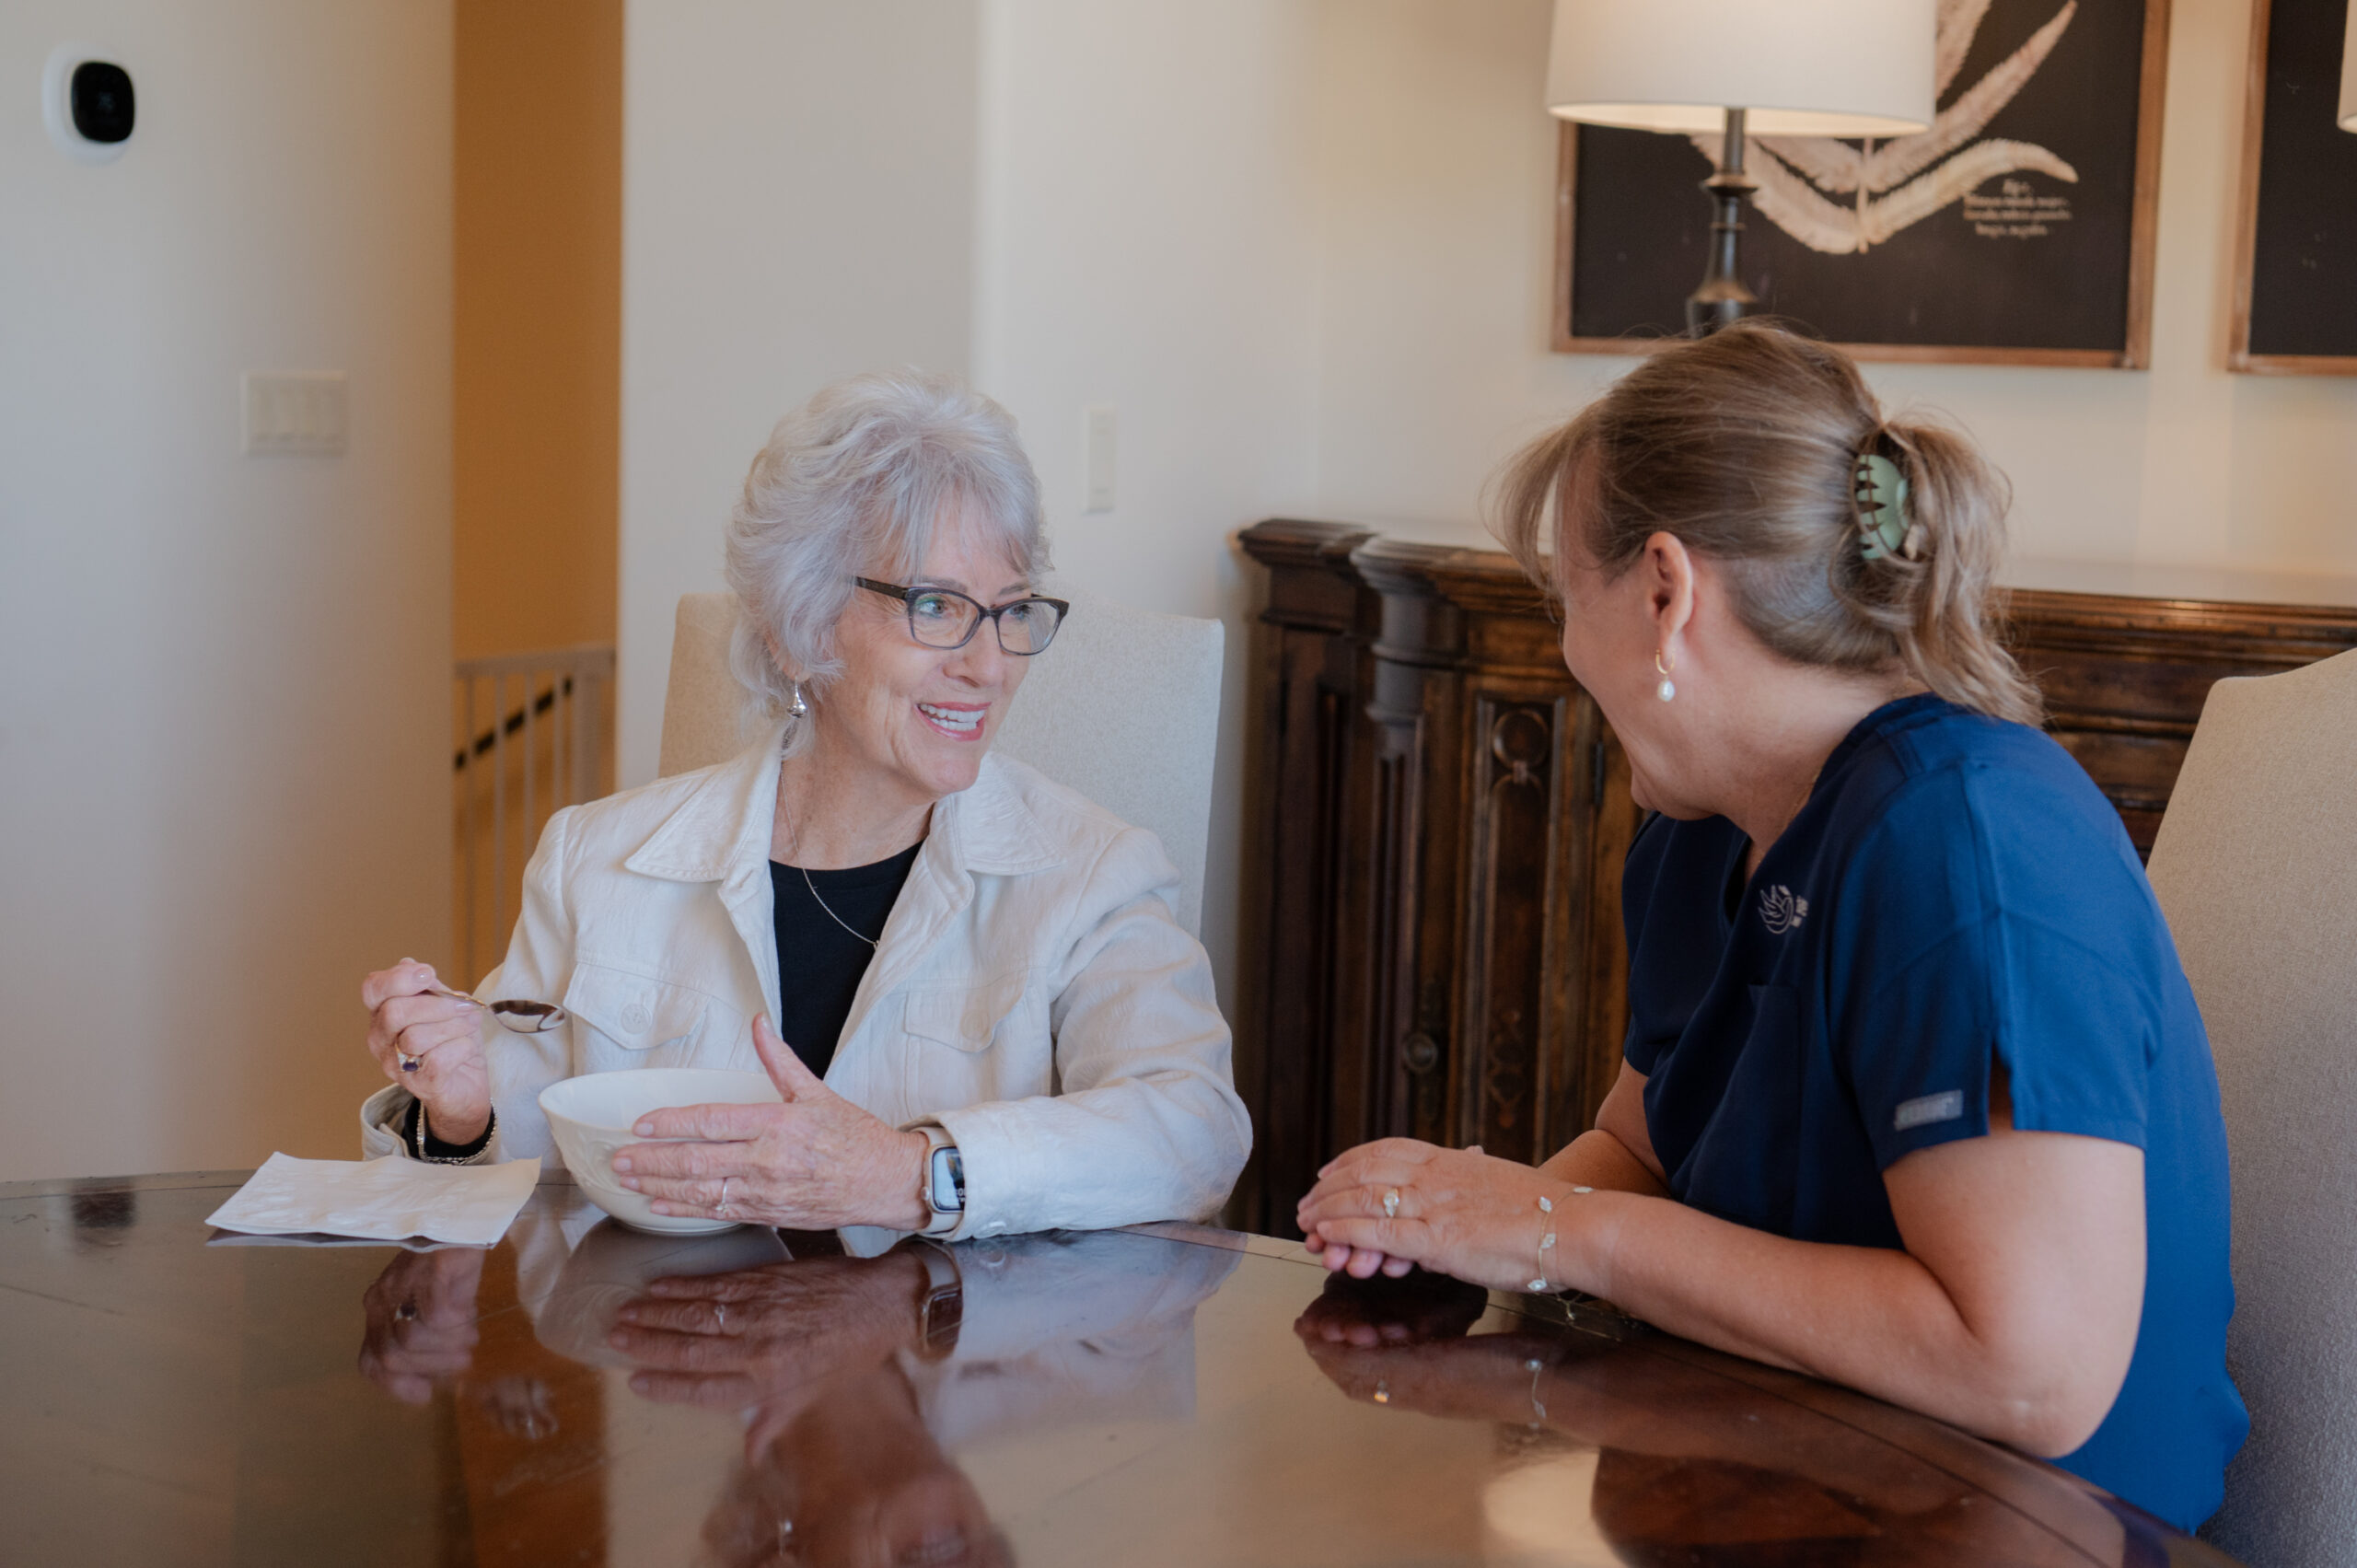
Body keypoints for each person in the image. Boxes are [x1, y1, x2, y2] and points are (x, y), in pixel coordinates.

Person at [1295, 323, 2246, 1531]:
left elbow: (2029, 1370)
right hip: (1786, 1480)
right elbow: (1639, 1150)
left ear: (1662, 588)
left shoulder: (1970, 841)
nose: (1563, 641)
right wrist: (1463, 1226)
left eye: (1560, 595)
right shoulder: (1699, 826)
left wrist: (1554, 1227)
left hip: (2036, 1526)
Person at [358, 369, 1250, 1239]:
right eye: (936, 606)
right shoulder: (595, 860)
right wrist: (461, 1113)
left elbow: (1192, 1133)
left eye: (1010, 610)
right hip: (670, 1369)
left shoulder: (1092, 874)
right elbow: (522, 1184)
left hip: (956, 1371)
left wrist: (913, 1173)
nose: (987, 665)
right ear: (800, 628)